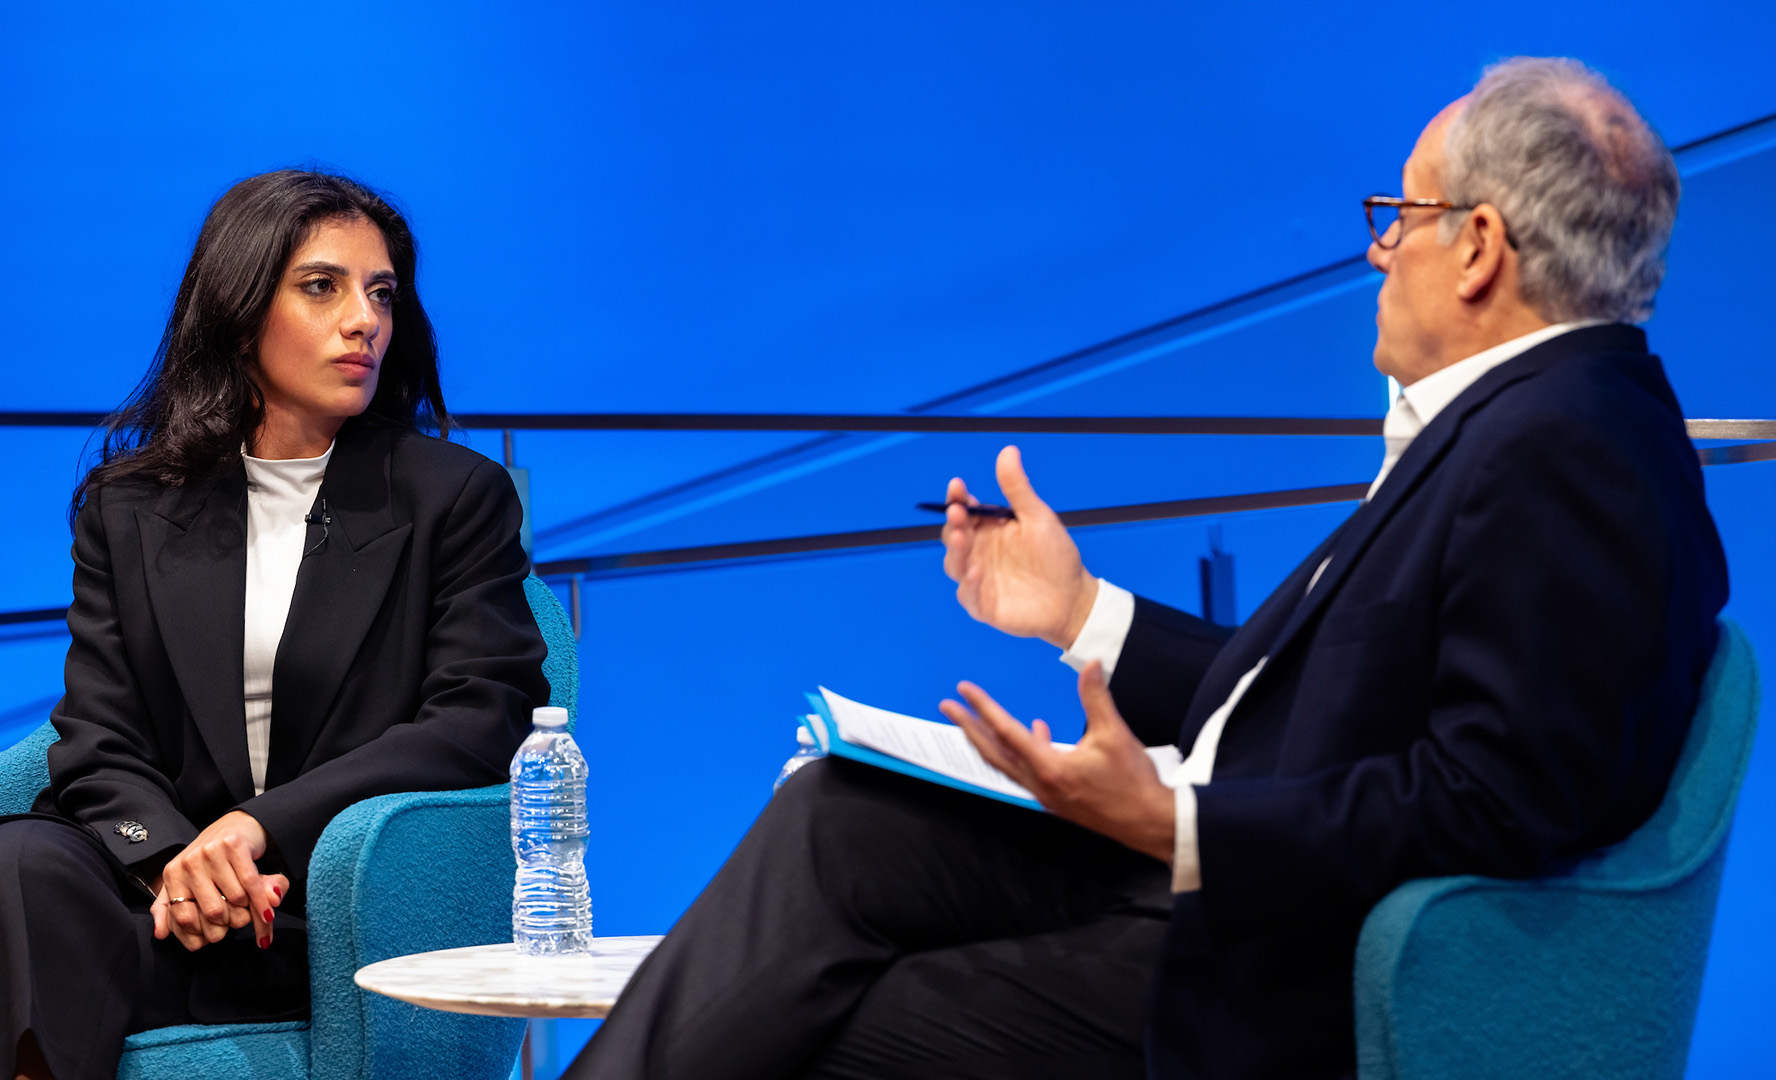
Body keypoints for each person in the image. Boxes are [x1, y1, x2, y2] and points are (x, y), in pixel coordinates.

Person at [565, 56, 1726, 1079]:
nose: (1379, 249)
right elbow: (1312, 707)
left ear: (1476, 245)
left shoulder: (1567, 451)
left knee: (818, 1024)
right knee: (842, 811)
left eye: (1400, 216)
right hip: (1220, 887)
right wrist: (1079, 614)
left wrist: (1179, 824)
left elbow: (1498, 802)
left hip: (1281, 961)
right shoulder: (1529, 425)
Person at [0, 170, 551, 1080]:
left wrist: (253, 831)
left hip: (315, 912)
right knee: (12, 862)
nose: (365, 319)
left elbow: (481, 718)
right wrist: (173, 866)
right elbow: (98, 740)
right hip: (145, 903)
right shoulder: (130, 509)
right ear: (242, 316)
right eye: (323, 287)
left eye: (382, 293)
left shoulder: (453, 498)